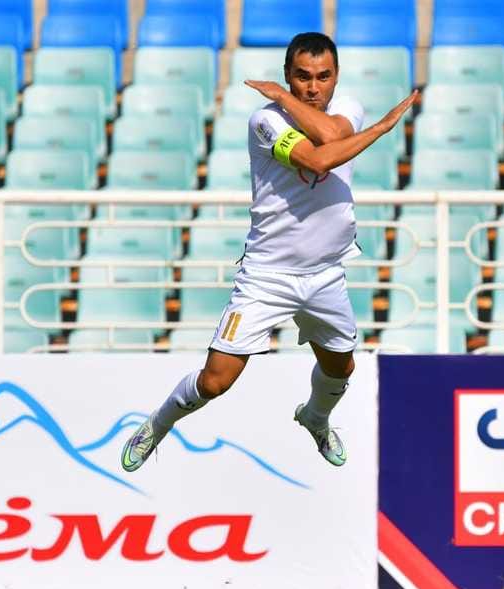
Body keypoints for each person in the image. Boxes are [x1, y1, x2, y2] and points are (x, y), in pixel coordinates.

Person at [121, 32, 417, 471]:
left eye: (323, 77)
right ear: (287, 75)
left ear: (336, 77)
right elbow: (318, 159)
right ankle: (158, 424)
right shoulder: (265, 121)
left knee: (341, 369)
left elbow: (332, 134)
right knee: (215, 382)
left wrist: (292, 97)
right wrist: (379, 128)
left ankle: (315, 419)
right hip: (267, 275)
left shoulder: (347, 107)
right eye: (301, 77)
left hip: (325, 273)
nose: (313, 88)